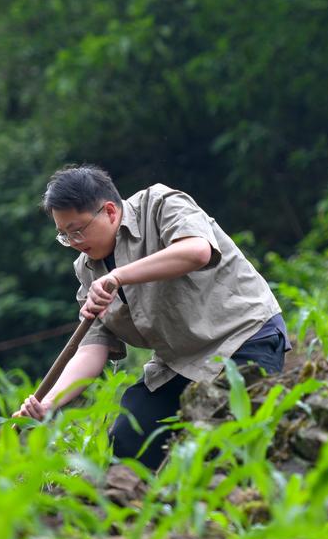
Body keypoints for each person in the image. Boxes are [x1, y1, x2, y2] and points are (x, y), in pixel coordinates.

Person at [14, 165, 289, 468]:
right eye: (65, 236)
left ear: (109, 211)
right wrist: (49, 401)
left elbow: (196, 251)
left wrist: (118, 276)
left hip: (244, 338)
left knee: (230, 444)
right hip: (180, 363)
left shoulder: (160, 204)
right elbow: (92, 348)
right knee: (127, 442)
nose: (74, 242)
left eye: (77, 230)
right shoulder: (87, 268)